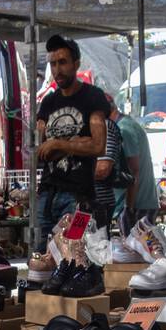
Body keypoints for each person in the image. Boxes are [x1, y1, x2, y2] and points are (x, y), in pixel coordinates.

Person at [35, 35, 109, 244]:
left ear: (76, 64)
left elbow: (98, 145)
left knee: (73, 256)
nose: (57, 69)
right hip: (47, 193)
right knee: (41, 257)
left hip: (78, 196)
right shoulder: (48, 101)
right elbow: (37, 148)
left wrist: (58, 144)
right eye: (53, 63)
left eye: (63, 62)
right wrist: (76, 143)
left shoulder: (92, 96)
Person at [113, 100, 159, 235]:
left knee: (135, 250)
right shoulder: (128, 124)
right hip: (140, 203)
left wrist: (129, 207)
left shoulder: (123, 129)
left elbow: (134, 170)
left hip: (137, 205)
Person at [92, 96, 124, 231]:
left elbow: (103, 169)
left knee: (96, 245)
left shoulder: (104, 126)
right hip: (93, 201)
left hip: (98, 202)